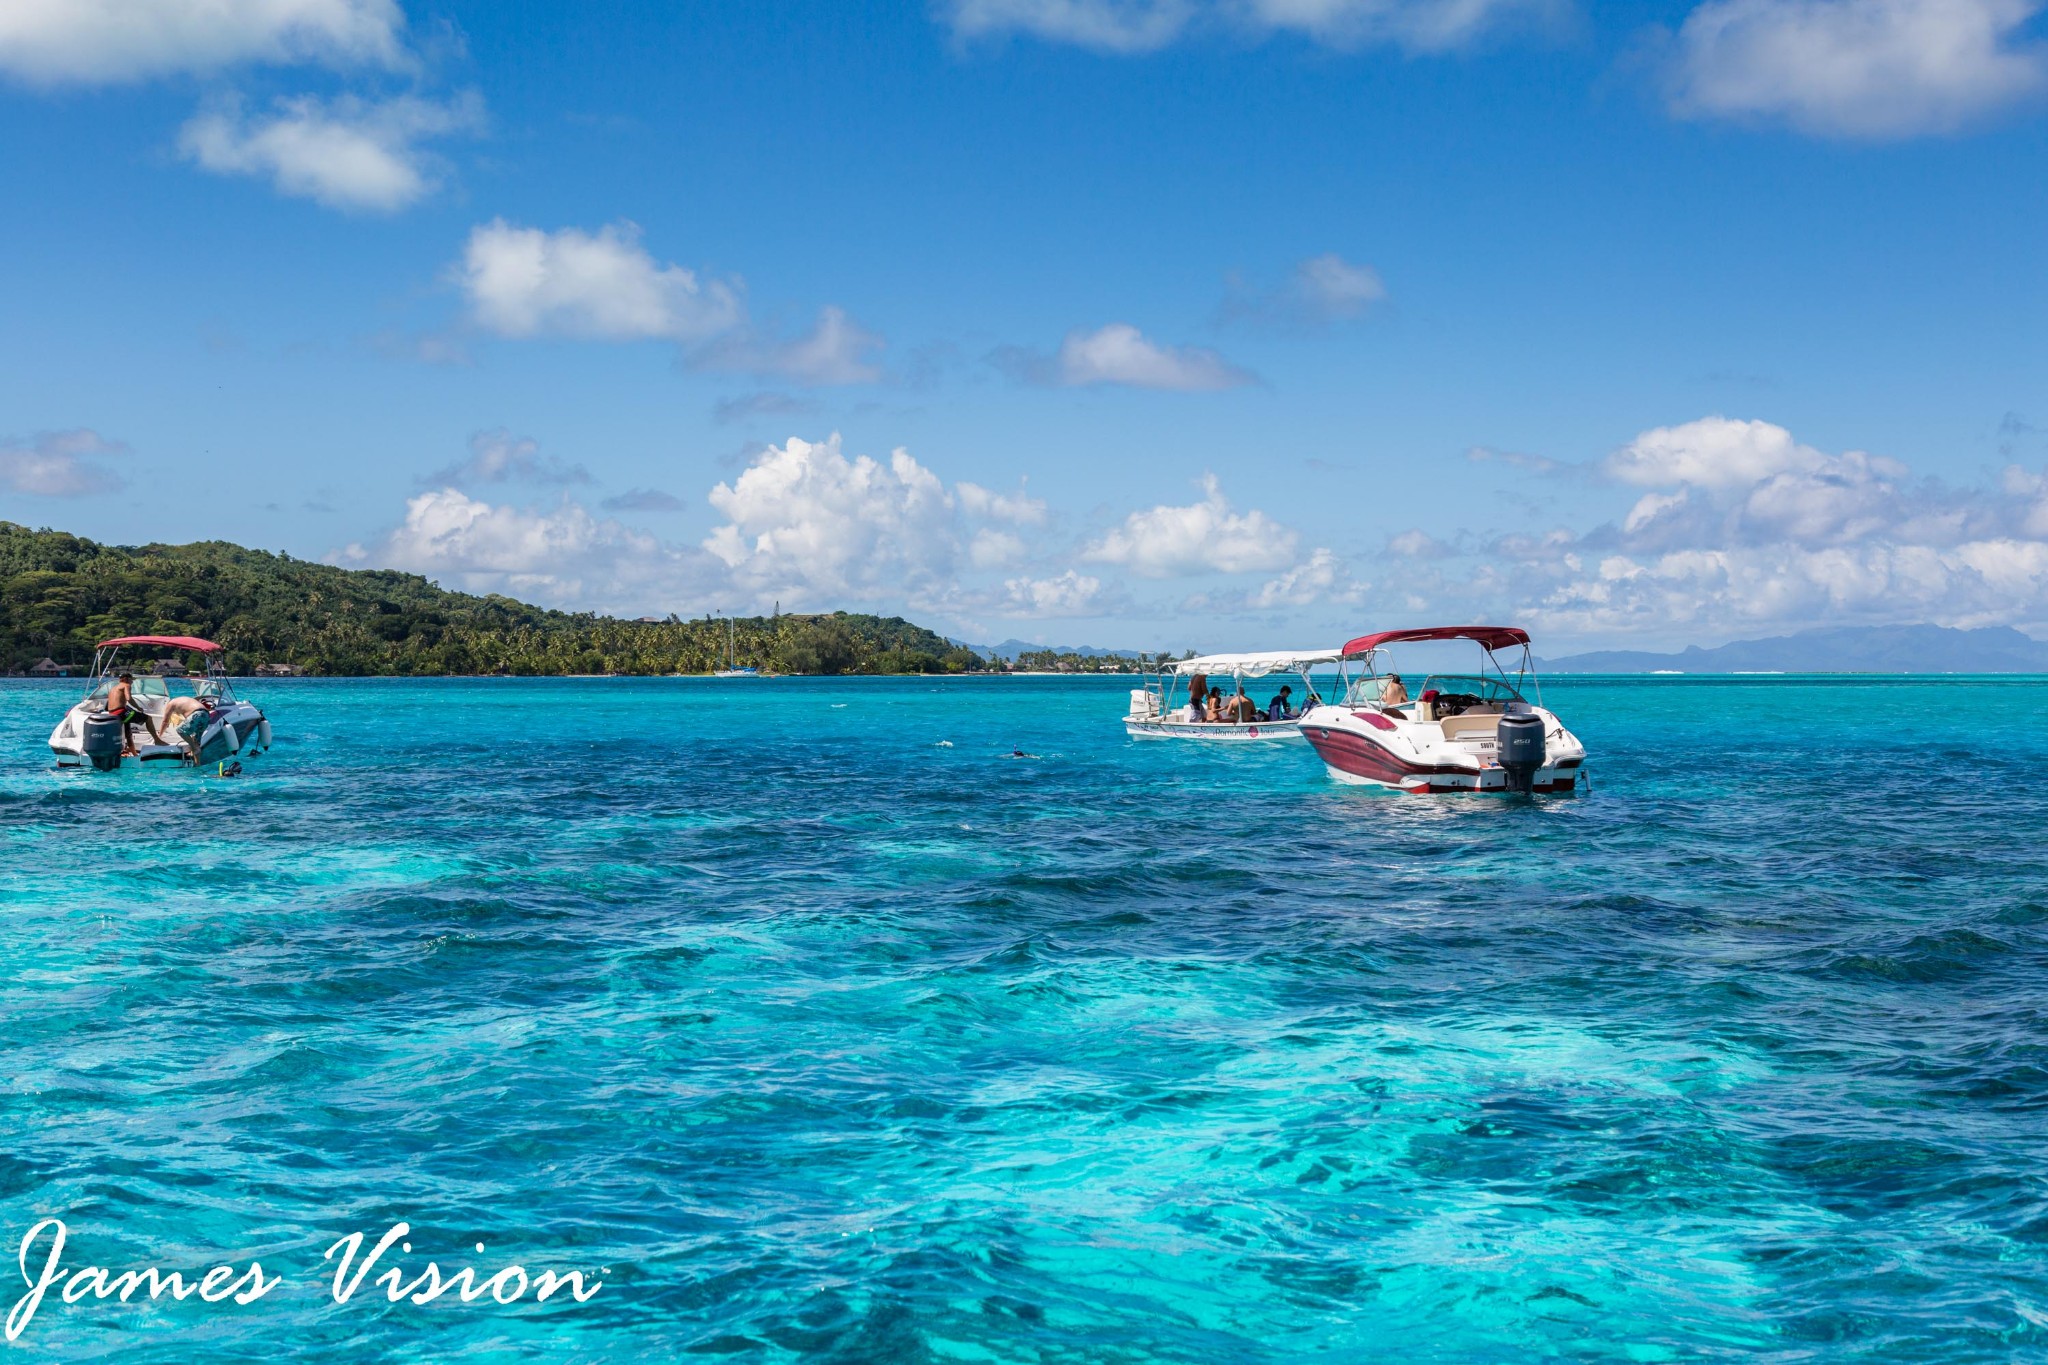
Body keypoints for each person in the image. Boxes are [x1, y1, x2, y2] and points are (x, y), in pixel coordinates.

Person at [105, 671, 162, 755]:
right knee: (148, 718)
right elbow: (129, 698)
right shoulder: (126, 685)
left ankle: (134, 754)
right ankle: (157, 740)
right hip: (121, 713)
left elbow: (107, 706)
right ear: (126, 679)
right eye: (131, 680)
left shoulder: (113, 689)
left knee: (128, 732)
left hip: (112, 715)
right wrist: (138, 708)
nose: (132, 682)